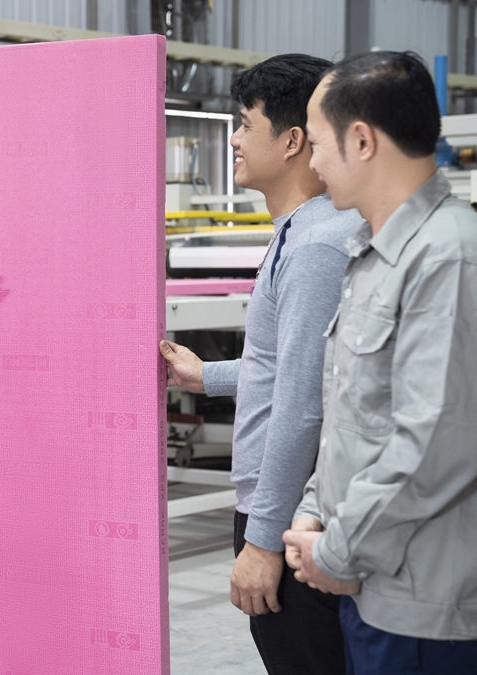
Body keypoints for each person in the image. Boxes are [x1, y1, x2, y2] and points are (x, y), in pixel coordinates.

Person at [283, 51, 477, 673]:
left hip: (434, 614)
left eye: (318, 144)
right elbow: (354, 415)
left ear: (361, 140)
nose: (312, 163)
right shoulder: (374, 256)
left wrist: (336, 551)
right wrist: (314, 509)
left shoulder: (452, 260)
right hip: (377, 587)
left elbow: (437, 445)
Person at [158, 54, 360, 674]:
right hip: (287, 506)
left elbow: (303, 404)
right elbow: (286, 369)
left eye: (245, 124)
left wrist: (264, 539)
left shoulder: (318, 244)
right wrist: (206, 376)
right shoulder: (298, 231)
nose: (234, 140)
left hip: (295, 515)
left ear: (293, 140)